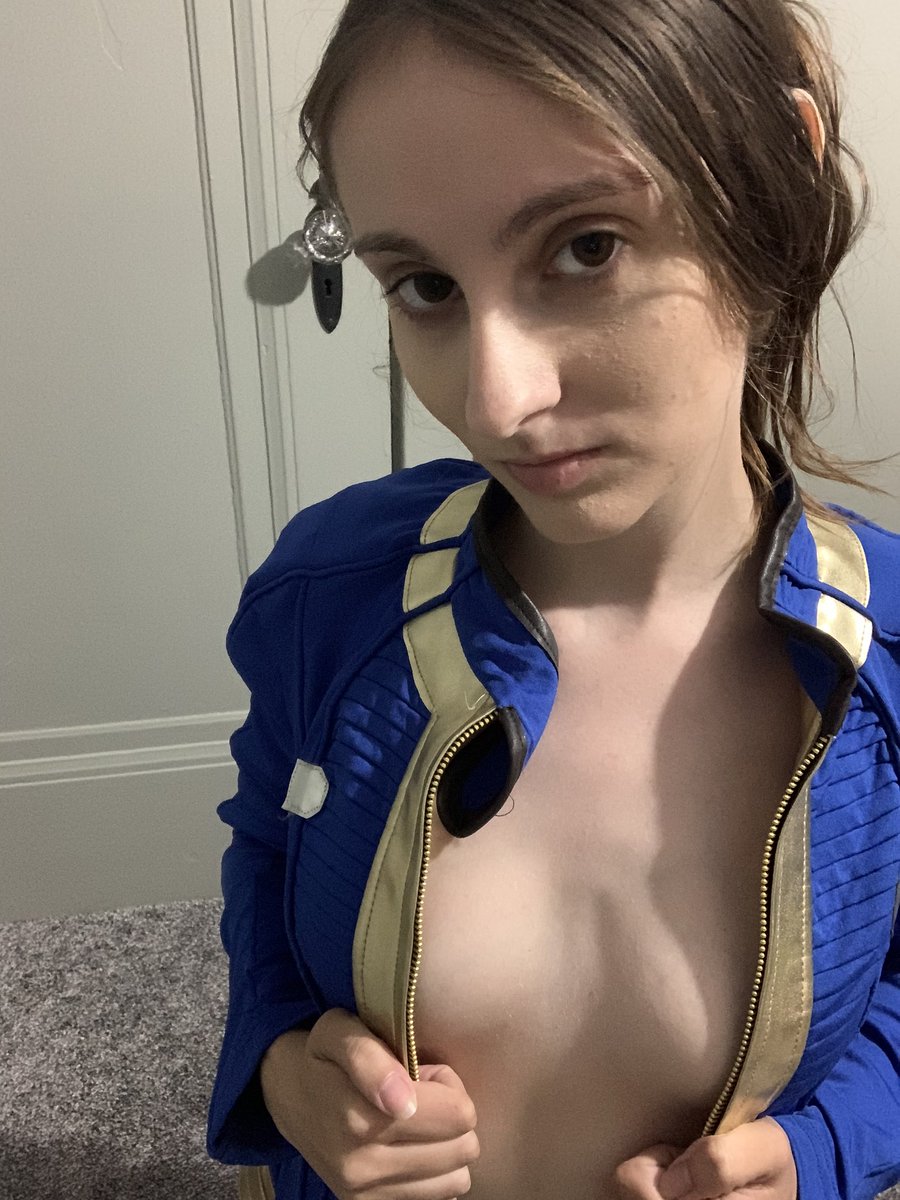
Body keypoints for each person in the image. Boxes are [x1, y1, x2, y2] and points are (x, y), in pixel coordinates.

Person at [206, 2, 900, 1198]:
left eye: (586, 248)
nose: (497, 403)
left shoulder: (885, 651)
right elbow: (268, 849)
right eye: (426, 284)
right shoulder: (328, 594)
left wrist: (820, 1151)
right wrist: (280, 1062)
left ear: (776, 181)